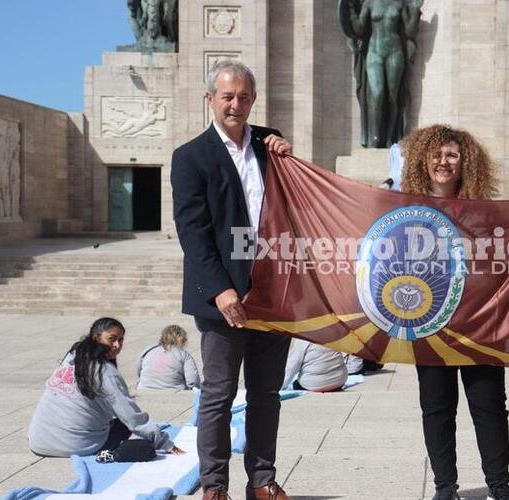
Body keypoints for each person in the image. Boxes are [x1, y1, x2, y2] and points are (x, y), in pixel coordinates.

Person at [171, 59, 293, 500]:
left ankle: (262, 481)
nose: (235, 105)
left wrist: (285, 151)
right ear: (211, 99)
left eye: (243, 97)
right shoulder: (190, 157)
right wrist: (221, 289)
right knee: (219, 396)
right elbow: (194, 232)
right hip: (223, 298)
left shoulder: (268, 143)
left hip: (271, 294)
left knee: (267, 394)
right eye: (227, 96)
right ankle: (214, 487)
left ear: (253, 99)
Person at [400, 124, 509, 500]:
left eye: (451, 155)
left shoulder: (485, 211)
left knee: (490, 407)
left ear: (466, 162)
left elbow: (503, 263)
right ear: (423, 160)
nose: (443, 162)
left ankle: (499, 485)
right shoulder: (406, 210)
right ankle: (445, 487)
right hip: (430, 325)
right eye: (436, 154)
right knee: (436, 408)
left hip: (478, 323)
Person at [27, 317, 183, 459]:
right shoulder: (105, 372)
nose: (117, 345)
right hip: (76, 446)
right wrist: (164, 443)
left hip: (38, 441)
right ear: (96, 338)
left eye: (121, 340)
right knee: (123, 427)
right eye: (111, 339)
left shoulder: (73, 355)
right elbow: (131, 417)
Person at [338, 0, 423, 148]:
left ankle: (390, 137)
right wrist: (350, 10)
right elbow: (359, 30)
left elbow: (410, 31)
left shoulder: (399, 4)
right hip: (375, 51)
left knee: (392, 97)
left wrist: (415, 11)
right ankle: (375, 136)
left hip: (395, 51)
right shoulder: (369, 4)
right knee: (377, 93)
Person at [136, 324, 201, 390]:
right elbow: (192, 380)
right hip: (174, 390)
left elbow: (139, 371)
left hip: (144, 388)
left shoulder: (149, 350)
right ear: (182, 340)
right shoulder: (184, 355)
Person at [282, 339, 348, 392]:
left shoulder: (301, 339)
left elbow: (291, 367)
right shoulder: (331, 333)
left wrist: (281, 387)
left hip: (316, 384)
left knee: (296, 384)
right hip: (340, 379)